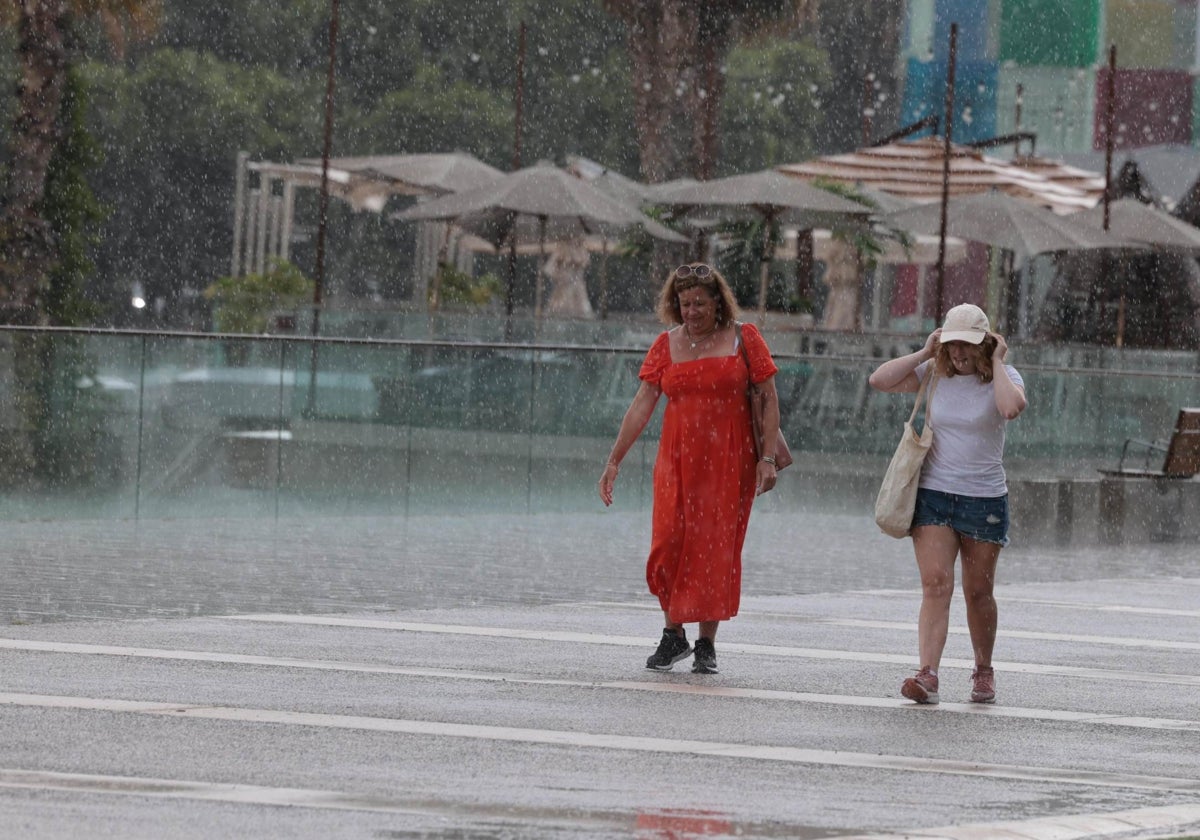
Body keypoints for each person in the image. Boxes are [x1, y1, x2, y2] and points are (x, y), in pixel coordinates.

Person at [599, 263, 781, 675]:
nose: (692, 311)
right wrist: (614, 460)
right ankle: (673, 634)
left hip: (728, 463)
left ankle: (706, 644)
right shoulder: (665, 344)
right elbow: (642, 403)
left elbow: (769, 399)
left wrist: (767, 458)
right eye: (684, 304)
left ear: (719, 302)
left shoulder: (743, 338)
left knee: (714, 549)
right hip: (675, 461)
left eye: (700, 302)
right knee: (668, 545)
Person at [868, 303, 1027, 704]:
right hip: (934, 495)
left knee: (978, 592)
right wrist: (924, 353)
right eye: (953, 344)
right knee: (935, 584)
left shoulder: (1003, 378)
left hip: (984, 498)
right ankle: (928, 674)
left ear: (986, 344)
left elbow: (1011, 407)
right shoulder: (935, 373)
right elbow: (879, 381)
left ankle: (983, 670)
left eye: (969, 346)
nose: (959, 353)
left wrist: (996, 361)